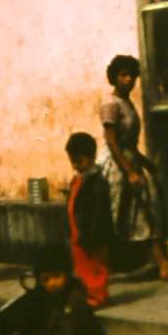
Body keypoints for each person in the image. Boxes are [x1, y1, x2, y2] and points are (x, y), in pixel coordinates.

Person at [99, 53, 168, 280]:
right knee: (113, 215)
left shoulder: (128, 103)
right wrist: (128, 170)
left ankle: (162, 263)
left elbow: (130, 142)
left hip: (132, 159)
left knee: (148, 209)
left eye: (132, 76)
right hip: (117, 163)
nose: (128, 80)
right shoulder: (110, 104)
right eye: (123, 75)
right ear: (114, 78)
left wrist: (146, 163)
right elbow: (112, 141)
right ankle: (101, 269)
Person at [64, 131, 113, 310]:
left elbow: (99, 211)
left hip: (91, 233)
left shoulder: (97, 182)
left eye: (80, 161)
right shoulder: (80, 179)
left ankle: (98, 297)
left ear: (92, 157)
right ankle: (89, 294)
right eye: (73, 162)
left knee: (95, 267)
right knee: (83, 267)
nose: (76, 166)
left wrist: (93, 233)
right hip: (78, 232)